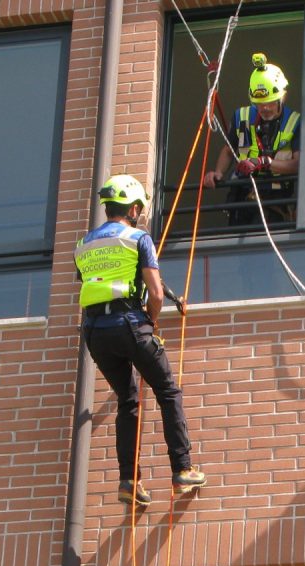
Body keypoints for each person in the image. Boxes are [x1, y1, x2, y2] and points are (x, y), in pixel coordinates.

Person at [74, 174, 206, 507]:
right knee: (167, 390)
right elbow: (156, 293)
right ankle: (182, 469)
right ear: (134, 208)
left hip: (95, 332)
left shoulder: (84, 243)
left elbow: (99, 280)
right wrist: (152, 320)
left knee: (128, 400)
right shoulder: (139, 238)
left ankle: (129, 481)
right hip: (130, 324)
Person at [201, 53, 301, 226]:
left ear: (282, 97)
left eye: (270, 102)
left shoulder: (294, 122)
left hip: (275, 202)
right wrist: (218, 172)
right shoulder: (242, 117)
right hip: (243, 198)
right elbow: (228, 151)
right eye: (259, 103)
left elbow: (298, 165)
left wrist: (265, 163)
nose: (265, 108)